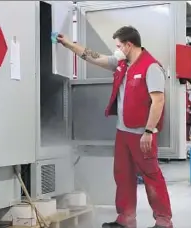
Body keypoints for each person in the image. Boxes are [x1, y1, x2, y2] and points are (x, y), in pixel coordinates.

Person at [57, 26, 172, 228]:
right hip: (123, 132)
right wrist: (68, 44)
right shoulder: (122, 64)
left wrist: (148, 131)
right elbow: (94, 57)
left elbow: (158, 102)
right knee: (123, 175)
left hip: (142, 134)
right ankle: (126, 220)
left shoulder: (151, 67)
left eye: (118, 45)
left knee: (152, 176)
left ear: (129, 45)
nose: (116, 49)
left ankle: (164, 222)